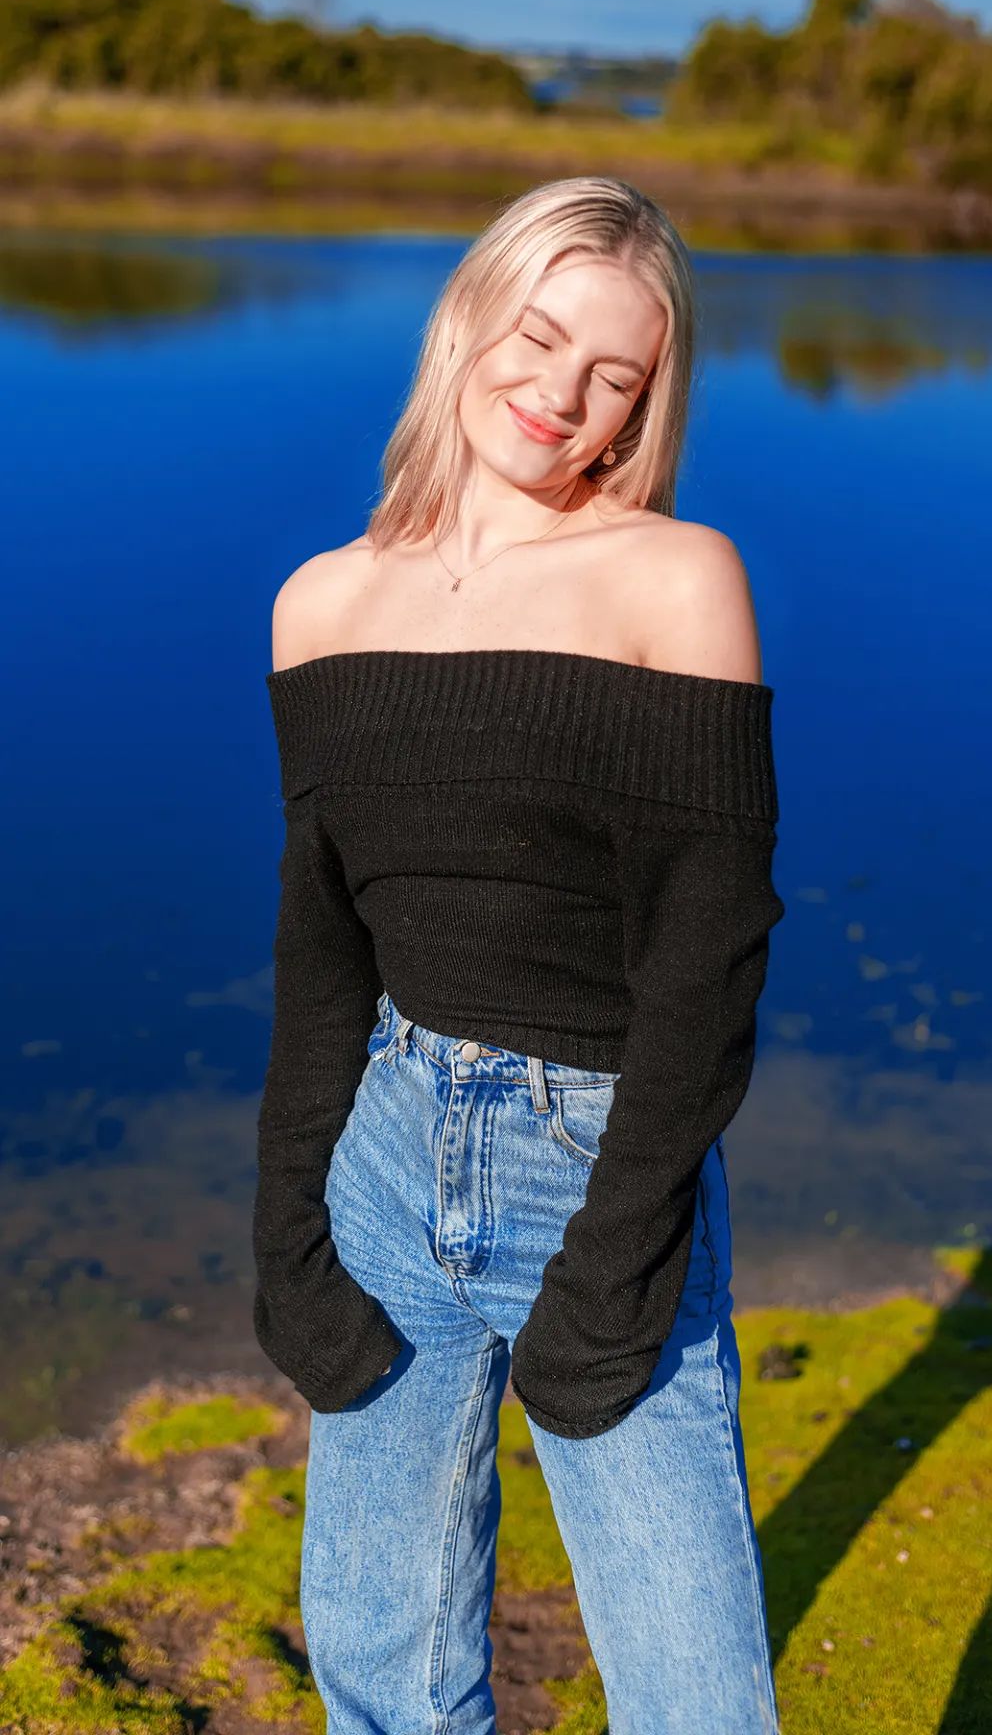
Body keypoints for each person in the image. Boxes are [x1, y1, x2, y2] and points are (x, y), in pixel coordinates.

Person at [253, 174, 786, 1735]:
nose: (562, 396)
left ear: (645, 402)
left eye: (614, 374)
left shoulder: (676, 578)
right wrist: (288, 1236)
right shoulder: (321, 605)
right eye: (541, 338)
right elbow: (322, 957)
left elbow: (709, 959)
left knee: (695, 1704)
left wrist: (620, 1258)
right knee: (386, 1680)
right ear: (469, 316)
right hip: (384, 1155)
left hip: (597, 1159)